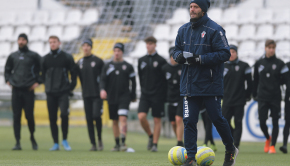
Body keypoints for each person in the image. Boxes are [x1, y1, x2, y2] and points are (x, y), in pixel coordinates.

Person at [173, 1, 238, 165]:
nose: (192, 10)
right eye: (190, 7)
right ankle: (190, 159)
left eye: (195, 7)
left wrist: (200, 59)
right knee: (189, 121)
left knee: (217, 119)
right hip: (189, 85)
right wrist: (178, 56)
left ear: (203, 10)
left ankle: (230, 149)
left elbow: (225, 53)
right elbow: (175, 50)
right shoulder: (183, 30)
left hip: (210, 84)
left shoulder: (215, 29)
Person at [4, 33, 41, 150]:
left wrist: (37, 82)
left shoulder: (34, 56)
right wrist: (8, 81)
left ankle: (32, 138)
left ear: (27, 41)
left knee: (29, 116)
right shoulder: (13, 56)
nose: (21, 41)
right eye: (19, 39)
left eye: (23, 40)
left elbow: (43, 69)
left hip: (28, 91)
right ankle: (17, 142)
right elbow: (7, 70)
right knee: (16, 116)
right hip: (16, 91)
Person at [253, 39, 289, 154]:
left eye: (273, 48)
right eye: (269, 48)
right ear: (265, 48)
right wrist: (254, 94)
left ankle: (272, 146)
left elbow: (286, 80)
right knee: (262, 121)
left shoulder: (280, 63)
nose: (271, 50)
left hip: (275, 97)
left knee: (275, 121)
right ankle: (268, 138)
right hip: (262, 97)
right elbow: (255, 80)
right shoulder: (259, 63)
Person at [42, 36, 77, 151]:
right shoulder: (45, 59)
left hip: (63, 92)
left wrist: (70, 87)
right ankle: (55, 143)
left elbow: (73, 73)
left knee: (64, 115)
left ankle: (65, 140)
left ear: (59, 43)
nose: (52, 44)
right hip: (51, 93)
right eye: (50, 42)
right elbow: (42, 75)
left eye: (54, 42)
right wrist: (46, 86)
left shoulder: (67, 57)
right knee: (52, 118)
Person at [100, 43, 136, 152]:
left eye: (119, 51)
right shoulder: (107, 66)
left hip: (124, 97)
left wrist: (133, 95)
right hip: (111, 97)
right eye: (115, 50)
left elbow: (133, 82)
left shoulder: (128, 66)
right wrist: (102, 90)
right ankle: (116, 144)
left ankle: (123, 143)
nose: (116, 52)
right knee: (114, 121)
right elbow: (102, 80)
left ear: (122, 52)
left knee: (123, 118)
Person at [137, 36, 167, 152]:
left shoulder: (161, 60)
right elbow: (140, 76)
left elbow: (164, 79)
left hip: (157, 95)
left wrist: (163, 94)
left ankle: (154, 144)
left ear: (155, 45)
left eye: (150, 43)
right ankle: (150, 135)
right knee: (141, 116)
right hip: (145, 94)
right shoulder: (141, 60)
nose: (148, 45)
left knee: (157, 120)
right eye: (147, 43)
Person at [76, 39, 104, 151]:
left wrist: (102, 89)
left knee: (96, 116)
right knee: (88, 119)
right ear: (82, 47)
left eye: (88, 45)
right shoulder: (79, 62)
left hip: (97, 94)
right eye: (84, 45)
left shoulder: (98, 61)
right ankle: (93, 143)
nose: (86, 47)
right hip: (86, 94)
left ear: (91, 47)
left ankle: (100, 139)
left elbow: (103, 78)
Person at [222, 45, 252, 149]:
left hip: (239, 100)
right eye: (229, 52)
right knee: (224, 121)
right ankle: (234, 135)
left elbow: (250, 82)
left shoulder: (244, 66)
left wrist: (248, 95)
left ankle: (236, 144)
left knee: (238, 122)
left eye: (233, 52)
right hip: (226, 99)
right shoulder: (223, 66)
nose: (231, 54)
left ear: (237, 53)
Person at [162, 46, 184, 147]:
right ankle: (179, 140)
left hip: (181, 98)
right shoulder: (165, 68)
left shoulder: (183, 67)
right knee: (173, 123)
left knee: (179, 119)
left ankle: (179, 142)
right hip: (170, 98)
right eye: (172, 56)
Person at [281, 61, 290, 154]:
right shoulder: (287, 66)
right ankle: (284, 145)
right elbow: (281, 80)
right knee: (288, 122)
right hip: (289, 99)